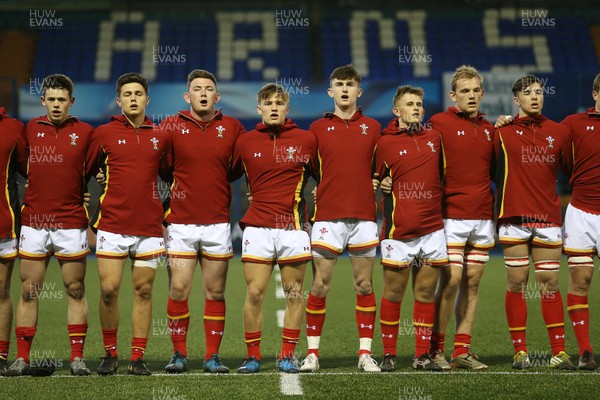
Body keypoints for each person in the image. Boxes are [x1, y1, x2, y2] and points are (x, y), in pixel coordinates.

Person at [7, 75, 94, 376]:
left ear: (72, 101)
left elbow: (96, 169)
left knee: (75, 288)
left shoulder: (85, 133)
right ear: (42, 101)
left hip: (71, 222)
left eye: (62, 99)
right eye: (51, 99)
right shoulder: (29, 129)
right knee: (29, 290)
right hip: (34, 222)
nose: (57, 105)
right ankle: (22, 358)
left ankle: (77, 359)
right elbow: (20, 165)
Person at [160, 69, 245, 373]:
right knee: (178, 291)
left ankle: (212, 356)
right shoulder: (171, 126)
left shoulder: (233, 127)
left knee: (215, 292)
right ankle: (178, 354)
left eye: (209, 88)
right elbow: (163, 167)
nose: (204, 93)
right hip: (181, 223)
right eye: (197, 88)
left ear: (217, 96)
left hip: (217, 222)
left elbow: (237, 168)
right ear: (188, 96)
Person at [87, 72, 170, 375]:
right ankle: (110, 353)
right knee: (109, 289)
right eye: (127, 94)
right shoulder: (103, 133)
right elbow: (84, 168)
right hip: (111, 224)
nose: (133, 99)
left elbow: (175, 174)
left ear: (147, 99)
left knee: (144, 291)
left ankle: (137, 357)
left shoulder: (161, 136)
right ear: (118, 99)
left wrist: (168, 210)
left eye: (138, 93)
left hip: (149, 228)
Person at [230, 83, 317, 374]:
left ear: (287, 108)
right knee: (255, 293)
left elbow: (327, 176)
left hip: (292, 227)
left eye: (280, 102)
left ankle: (287, 355)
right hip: (257, 227)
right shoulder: (245, 141)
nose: (274, 107)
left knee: (294, 294)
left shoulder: (307, 140)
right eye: (268, 103)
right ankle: (253, 356)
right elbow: (224, 174)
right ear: (259, 109)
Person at [300, 64, 382, 373]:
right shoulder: (317, 130)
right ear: (330, 91)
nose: (344, 89)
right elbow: (306, 170)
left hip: (363, 218)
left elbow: (382, 166)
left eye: (350, 84)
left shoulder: (373, 128)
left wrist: (380, 181)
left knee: (364, 285)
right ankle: (312, 355)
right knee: (320, 286)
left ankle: (364, 354)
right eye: (339, 84)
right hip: (327, 219)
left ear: (359, 91)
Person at [495, 75, 574, 370]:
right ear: (516, 100)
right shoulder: (501, 133)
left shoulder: (559, 132)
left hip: (548, 218)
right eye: (528, 93)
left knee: (550, 284)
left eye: (539, 92)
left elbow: (571, 170)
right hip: (513, 217)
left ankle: (558, 352)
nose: (535, 97)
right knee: (516, 284)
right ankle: (520, 352)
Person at [426, 65, 495, 371]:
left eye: (475, 90)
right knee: (452, 280)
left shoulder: (491, 129)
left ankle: (462, 350)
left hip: (482, 216)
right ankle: (436, 348)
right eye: (464, 91)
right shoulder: (438, 123)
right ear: (453, 95)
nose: (470, 95)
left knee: (473, 281)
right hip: (450, 215)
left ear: (482, 93)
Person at [376, 85, 447, 372]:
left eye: (419, 103)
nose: (416, 107)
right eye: (410, 104)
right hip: (398, 231)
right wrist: (380, 183)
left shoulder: (434, 137)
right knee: (393, 293)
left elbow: (443, 174)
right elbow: (371, 177)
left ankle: (421, 355)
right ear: (397, 111)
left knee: (425, 293)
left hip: (432, 229)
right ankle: (389, 354)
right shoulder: (383, 143)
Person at [560, 72, 600, 370]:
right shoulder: (573, 124)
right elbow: (551, 150)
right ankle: (585, 351)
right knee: (581, 279)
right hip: (582, 212)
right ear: (595, 94)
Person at [0, 107, 26, 375]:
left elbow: (34, 170)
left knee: (1, 292)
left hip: (3, 226)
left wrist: (76, 188)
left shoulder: (13, 128)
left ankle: (0, 355)